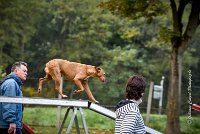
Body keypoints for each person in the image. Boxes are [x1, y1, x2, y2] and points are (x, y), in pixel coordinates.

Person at [0, 61, 28, 134]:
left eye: (26, 71)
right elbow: (9, 104)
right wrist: (11, 121)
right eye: (24, 71)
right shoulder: (11, 83)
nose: (26, 73)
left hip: (9, 125)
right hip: (8, 126)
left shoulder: (14, 83)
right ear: (16, 71)